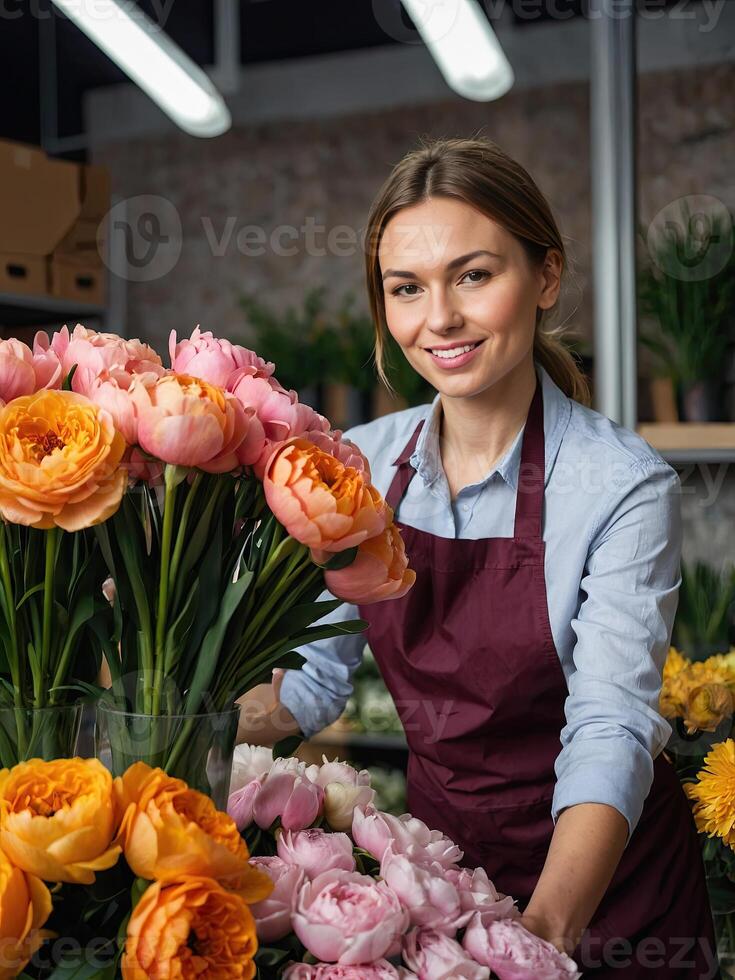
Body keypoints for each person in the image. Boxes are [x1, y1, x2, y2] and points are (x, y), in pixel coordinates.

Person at [237, 136, 719, 978]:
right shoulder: (354, 468)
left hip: (611, 894)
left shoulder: (617, 484)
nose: (439, 320)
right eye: (406, 289)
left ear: (546, 277)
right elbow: (311, 682)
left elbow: (610, 728)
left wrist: (539, 941)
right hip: (440, 879)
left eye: (473, 275)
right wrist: (167, 701)